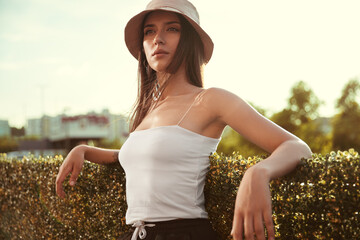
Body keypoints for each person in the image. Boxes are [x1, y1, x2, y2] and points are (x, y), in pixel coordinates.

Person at [55, 0, 312, 239]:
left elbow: (297, 147)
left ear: (189, 40)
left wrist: (258, 172)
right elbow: (142, 157)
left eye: (172, 29)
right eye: (149, 31)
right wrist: (85, 150)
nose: (158, 39)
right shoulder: (149, 108)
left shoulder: (211, 99)